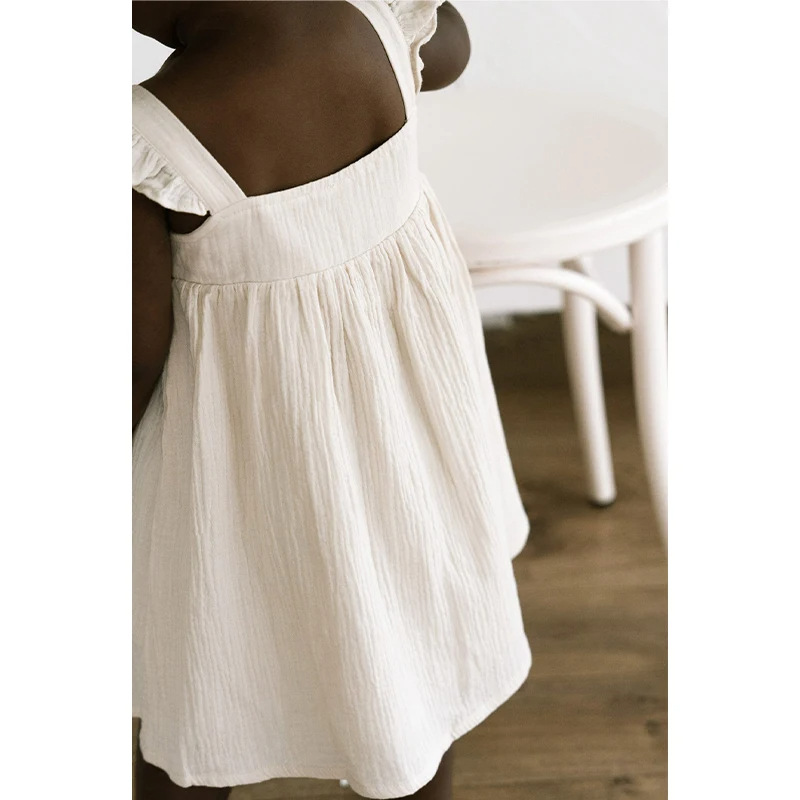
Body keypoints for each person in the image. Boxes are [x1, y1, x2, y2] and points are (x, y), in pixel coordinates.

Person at [132, 2, 531, 798]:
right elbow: (450, 48)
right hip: (406, 431)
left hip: (243, 468)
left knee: (200, 667)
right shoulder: (379, 16)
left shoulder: (153, 146)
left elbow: (134, 358)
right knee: (414, 660)